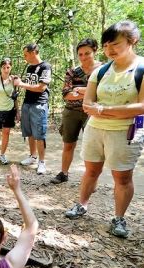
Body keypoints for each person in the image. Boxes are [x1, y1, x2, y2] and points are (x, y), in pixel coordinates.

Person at [65, 21, 144, 238]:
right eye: (106, 45)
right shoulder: (100, 71)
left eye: (115, 44)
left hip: (126, 132)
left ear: (132, 41)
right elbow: (87, 105)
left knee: (122, 177)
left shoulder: (141, 69)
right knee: (91, 171)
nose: (110, 50)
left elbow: (142, 107)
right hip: (95, 129)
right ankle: (82, 204)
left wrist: (104, 109)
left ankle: (119, 218)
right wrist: (108, 110)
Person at [51, 39, 102, 184]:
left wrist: (79, 90)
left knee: (91, 147)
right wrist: (90, 92)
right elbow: (66, 94)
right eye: (80, 54)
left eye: (87, 53)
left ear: (95, 51)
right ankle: (63, 173)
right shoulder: (72, 71)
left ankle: (91, 179)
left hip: (92, 114)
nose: (84, 57)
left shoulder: (103, 70)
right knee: (68, 144)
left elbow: (103, 93)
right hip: (71, 112)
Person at [14, 43, 52, 175]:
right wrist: (19, 82)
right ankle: (32, 156)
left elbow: (41, 87)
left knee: (39, 134)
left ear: (33, 52)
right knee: (29, 132)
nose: (24, 57)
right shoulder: (30, 68)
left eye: (26, 54)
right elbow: (30, 85)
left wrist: (21, 84)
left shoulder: (45, 66)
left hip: (39, 104)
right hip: (27, 103)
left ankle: (42, 162)